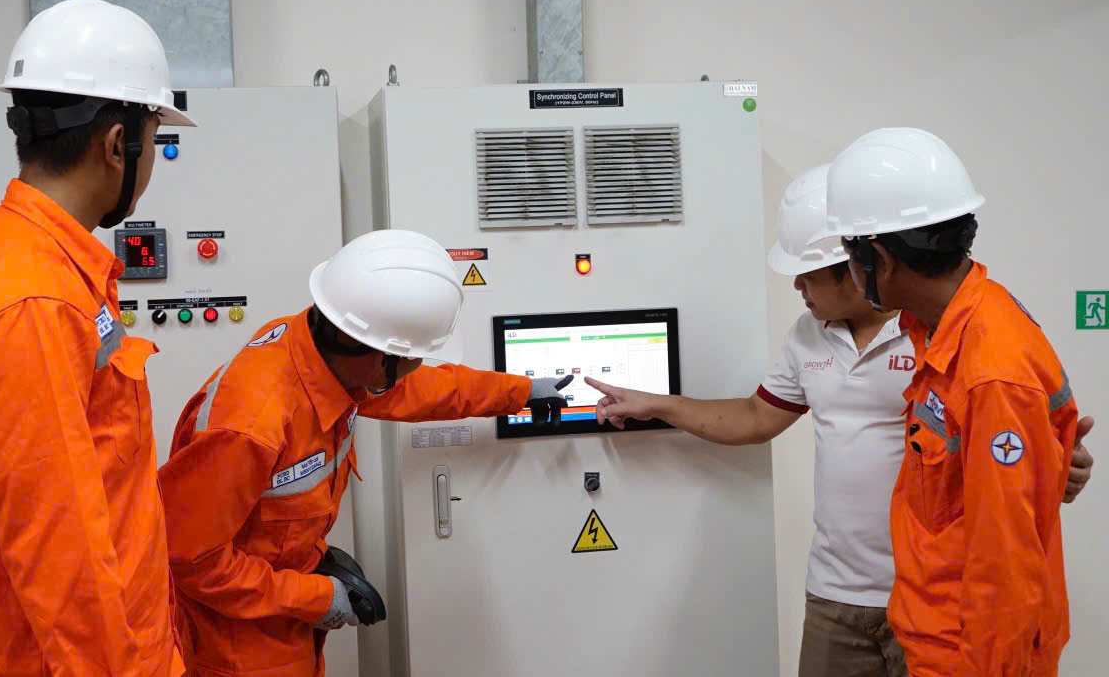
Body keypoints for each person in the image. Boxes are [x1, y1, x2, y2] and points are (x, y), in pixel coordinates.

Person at [584, 162, 1094, 677]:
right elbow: (755, 417)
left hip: (935, 593)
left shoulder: (939, 333)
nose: (798, 287)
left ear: (860, 266)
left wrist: (1047, 465)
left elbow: (1004, 448)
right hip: (836, 592)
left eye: (808, 275)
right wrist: (658, 404)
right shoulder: (811, 336)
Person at [157, 229, 572, 677]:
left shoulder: (322, 354)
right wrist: (316, 597)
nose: (413, 371)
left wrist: (520, 391)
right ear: (379, 359)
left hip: (282, 622)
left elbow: (424, 390)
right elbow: (189, 560)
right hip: (236, 649)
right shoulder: (250, 426)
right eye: (412, 359)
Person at [0, 0, 194, 676]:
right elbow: (63, 564)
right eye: (157, 138)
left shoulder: (51, 270)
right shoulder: (33, 303)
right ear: (116, 145)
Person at [811, 127, 1085, 675]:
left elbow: (1005, 569)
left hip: (967, 658)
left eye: (848, 252)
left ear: (880, 258)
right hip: (934, 639)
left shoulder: (990, 371)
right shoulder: (944, 331)